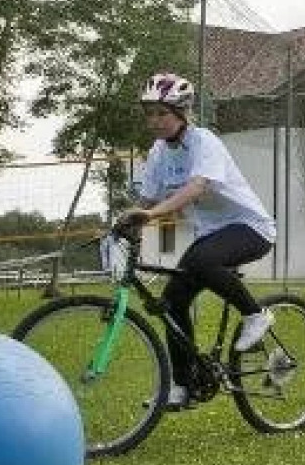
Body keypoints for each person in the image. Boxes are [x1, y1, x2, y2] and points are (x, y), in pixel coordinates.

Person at [118, 71, 277, 409]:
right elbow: (146, 202)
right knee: (172, 303)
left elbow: (196, 187)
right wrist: (125, 221)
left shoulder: (205, 141)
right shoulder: (159, 152)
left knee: (201, 261)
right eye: (150, 114)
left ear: (181, 113)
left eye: (162, 113)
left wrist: (153, 214)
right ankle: (184, 385)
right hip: (205, 235)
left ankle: (255, 315)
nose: (155, 121)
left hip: (249, 227)